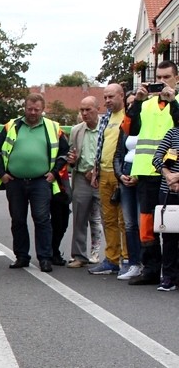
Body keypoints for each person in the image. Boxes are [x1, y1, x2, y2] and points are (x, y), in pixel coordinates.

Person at [0, 93, 70, 273]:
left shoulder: (53, 127)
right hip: (14, 181)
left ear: (43, 109)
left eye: (36, 109)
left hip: (41, 182)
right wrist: (2, 174)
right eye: (29, 109)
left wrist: (54, 173)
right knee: (18, 220)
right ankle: (21, 256)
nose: (33, 112)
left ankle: (45, 258)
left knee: (42, 219)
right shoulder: (11, 126)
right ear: (24, 108)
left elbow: (64, 153)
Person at [124, 61, 179, 287]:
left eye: (167, 77)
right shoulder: (145, 104)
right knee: (147, 224)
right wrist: (136, 102)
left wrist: (173, 101)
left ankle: (172, 272)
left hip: (172, 174)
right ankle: (151, 269)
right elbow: (129, 130)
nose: (162, 81)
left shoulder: (177, 102)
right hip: (147, 171)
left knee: (172, 224)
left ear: (176, 78)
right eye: (159, 77)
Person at [88, 84, 128, 275]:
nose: (107, 101)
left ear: (121, 95)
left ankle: (127, 258)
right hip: (104, 172)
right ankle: (112, 259)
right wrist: (96, 169)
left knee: (124, 220)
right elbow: (101, 145)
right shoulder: (106, 118)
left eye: (111, 97)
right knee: (109, 219)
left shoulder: (129, 116)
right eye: (105, 97)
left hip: (120, 173)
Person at [65, 97, 103, 268]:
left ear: (97, 109)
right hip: (81, 177)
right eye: (82, 110)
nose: (85, 113)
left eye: (88, 110)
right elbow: (71, 155)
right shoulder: (76, 130)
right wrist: (72, 160)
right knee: (79, 218)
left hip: (102, 177)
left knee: (108, 218)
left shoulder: (106, 127)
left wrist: (96, 171)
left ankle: (113, 257)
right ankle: (79, 256)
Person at [115, 91, 143, 280]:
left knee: (143, 223)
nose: (133, 107)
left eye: (136, 103)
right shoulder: (125, 126)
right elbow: (118, 154)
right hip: (126, 172)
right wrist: (120, 175)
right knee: (130, 223)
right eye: (130, 104)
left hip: (142, 174)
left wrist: (138, 175)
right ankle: (134, 263)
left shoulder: (147, 124)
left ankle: (148, 263)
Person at [152, 123, 179, 291]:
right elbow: (156, 158)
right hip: (168, 191)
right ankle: (168, 277)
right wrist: (168, 176)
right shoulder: (173, 133)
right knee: (169, 237)